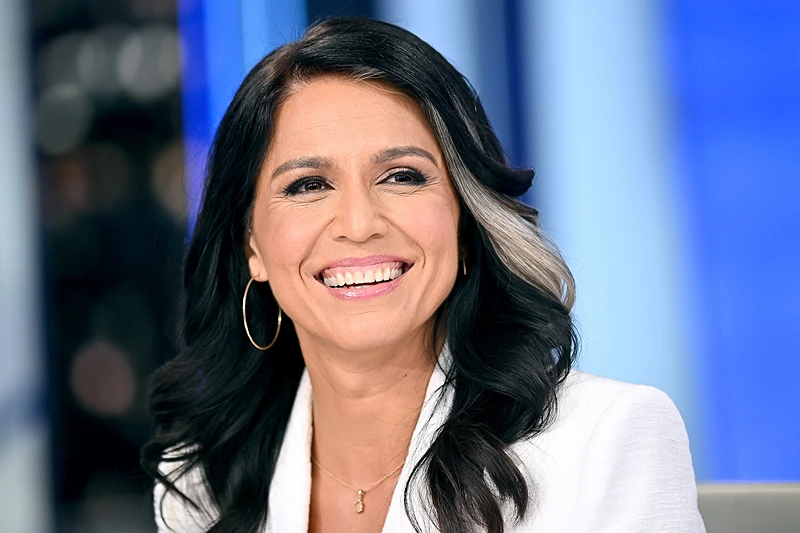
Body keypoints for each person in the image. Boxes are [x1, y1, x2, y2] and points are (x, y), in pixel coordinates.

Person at [142, 17, 705, 533]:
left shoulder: (609, 438)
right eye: (308, 185)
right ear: (252, 247)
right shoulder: (202, 476)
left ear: (464, 220)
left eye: (402, 176)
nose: (359, 225)